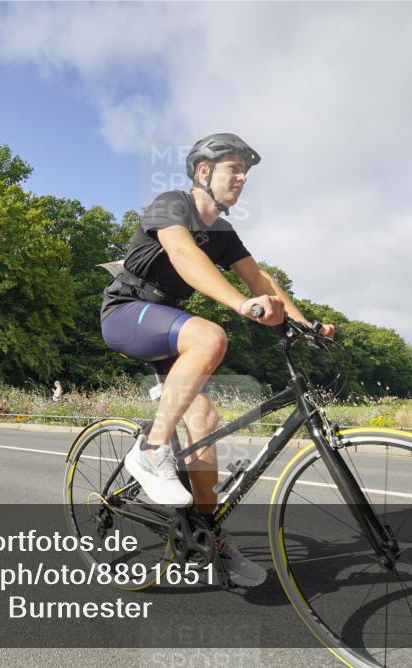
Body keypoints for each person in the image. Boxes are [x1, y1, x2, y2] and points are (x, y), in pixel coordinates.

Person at [99, 133, 336, 587]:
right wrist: (239, 304)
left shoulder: (224, 234)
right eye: (235, 167)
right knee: (210, 335)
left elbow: (261, 279)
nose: (243, 177)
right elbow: (184, 255)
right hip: (127, 311)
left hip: (167, 322)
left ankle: (208, 538)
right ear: (204, 172)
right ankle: (149, 453)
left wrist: (307, 326)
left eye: (247, 170)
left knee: (205, 418)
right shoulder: (171, 204)